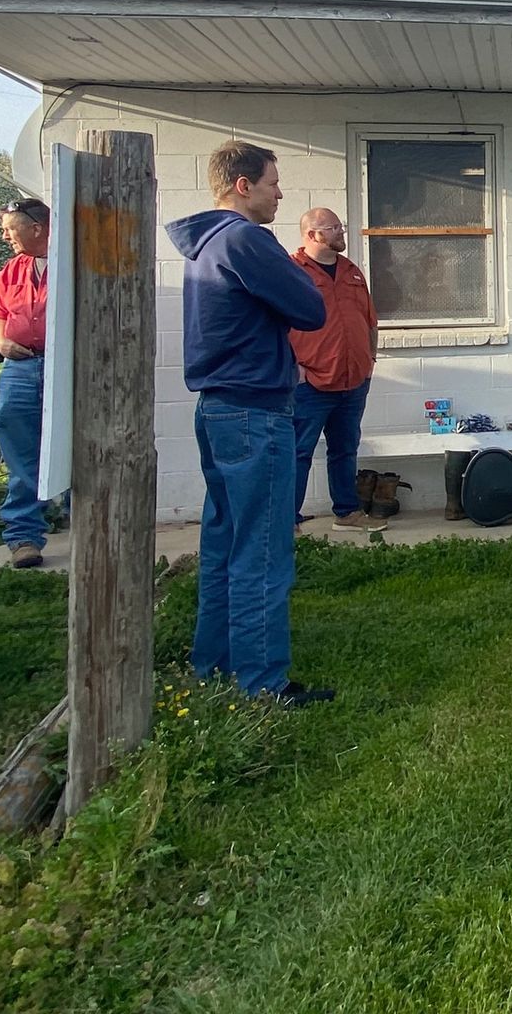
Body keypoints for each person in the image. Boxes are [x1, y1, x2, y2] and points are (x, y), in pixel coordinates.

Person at [167, 141, 332, 705]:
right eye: (273, 183)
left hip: (217, 409)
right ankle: (262, 684)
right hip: (255, 411)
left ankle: (212, 664)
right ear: (242, 185)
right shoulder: (244, 239)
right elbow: (312, 308)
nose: (280, 192)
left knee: (224, 540)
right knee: (262, 547)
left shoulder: (207, 242)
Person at [288, 208, 383, 534]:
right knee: (298, 452)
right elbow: (274, 325)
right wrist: (293, 367)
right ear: (314, 235)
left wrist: (369, 360)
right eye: (334, 228)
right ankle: (288, 521)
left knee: (345, 449)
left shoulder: (351, 271)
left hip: (354, 380)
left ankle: (347, 512)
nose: (342, 232)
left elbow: (370, 319)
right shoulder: (291, 271)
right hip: (310, 383)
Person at [0, 197, 53, 568]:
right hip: (22, 366)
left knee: (76, 444)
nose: (4, 236)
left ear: (37, 227)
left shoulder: (73, 260)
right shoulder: (13, 269)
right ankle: (24, 535)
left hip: (66, 366)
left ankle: (83, 519)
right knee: (16, 439)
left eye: (9, 229)